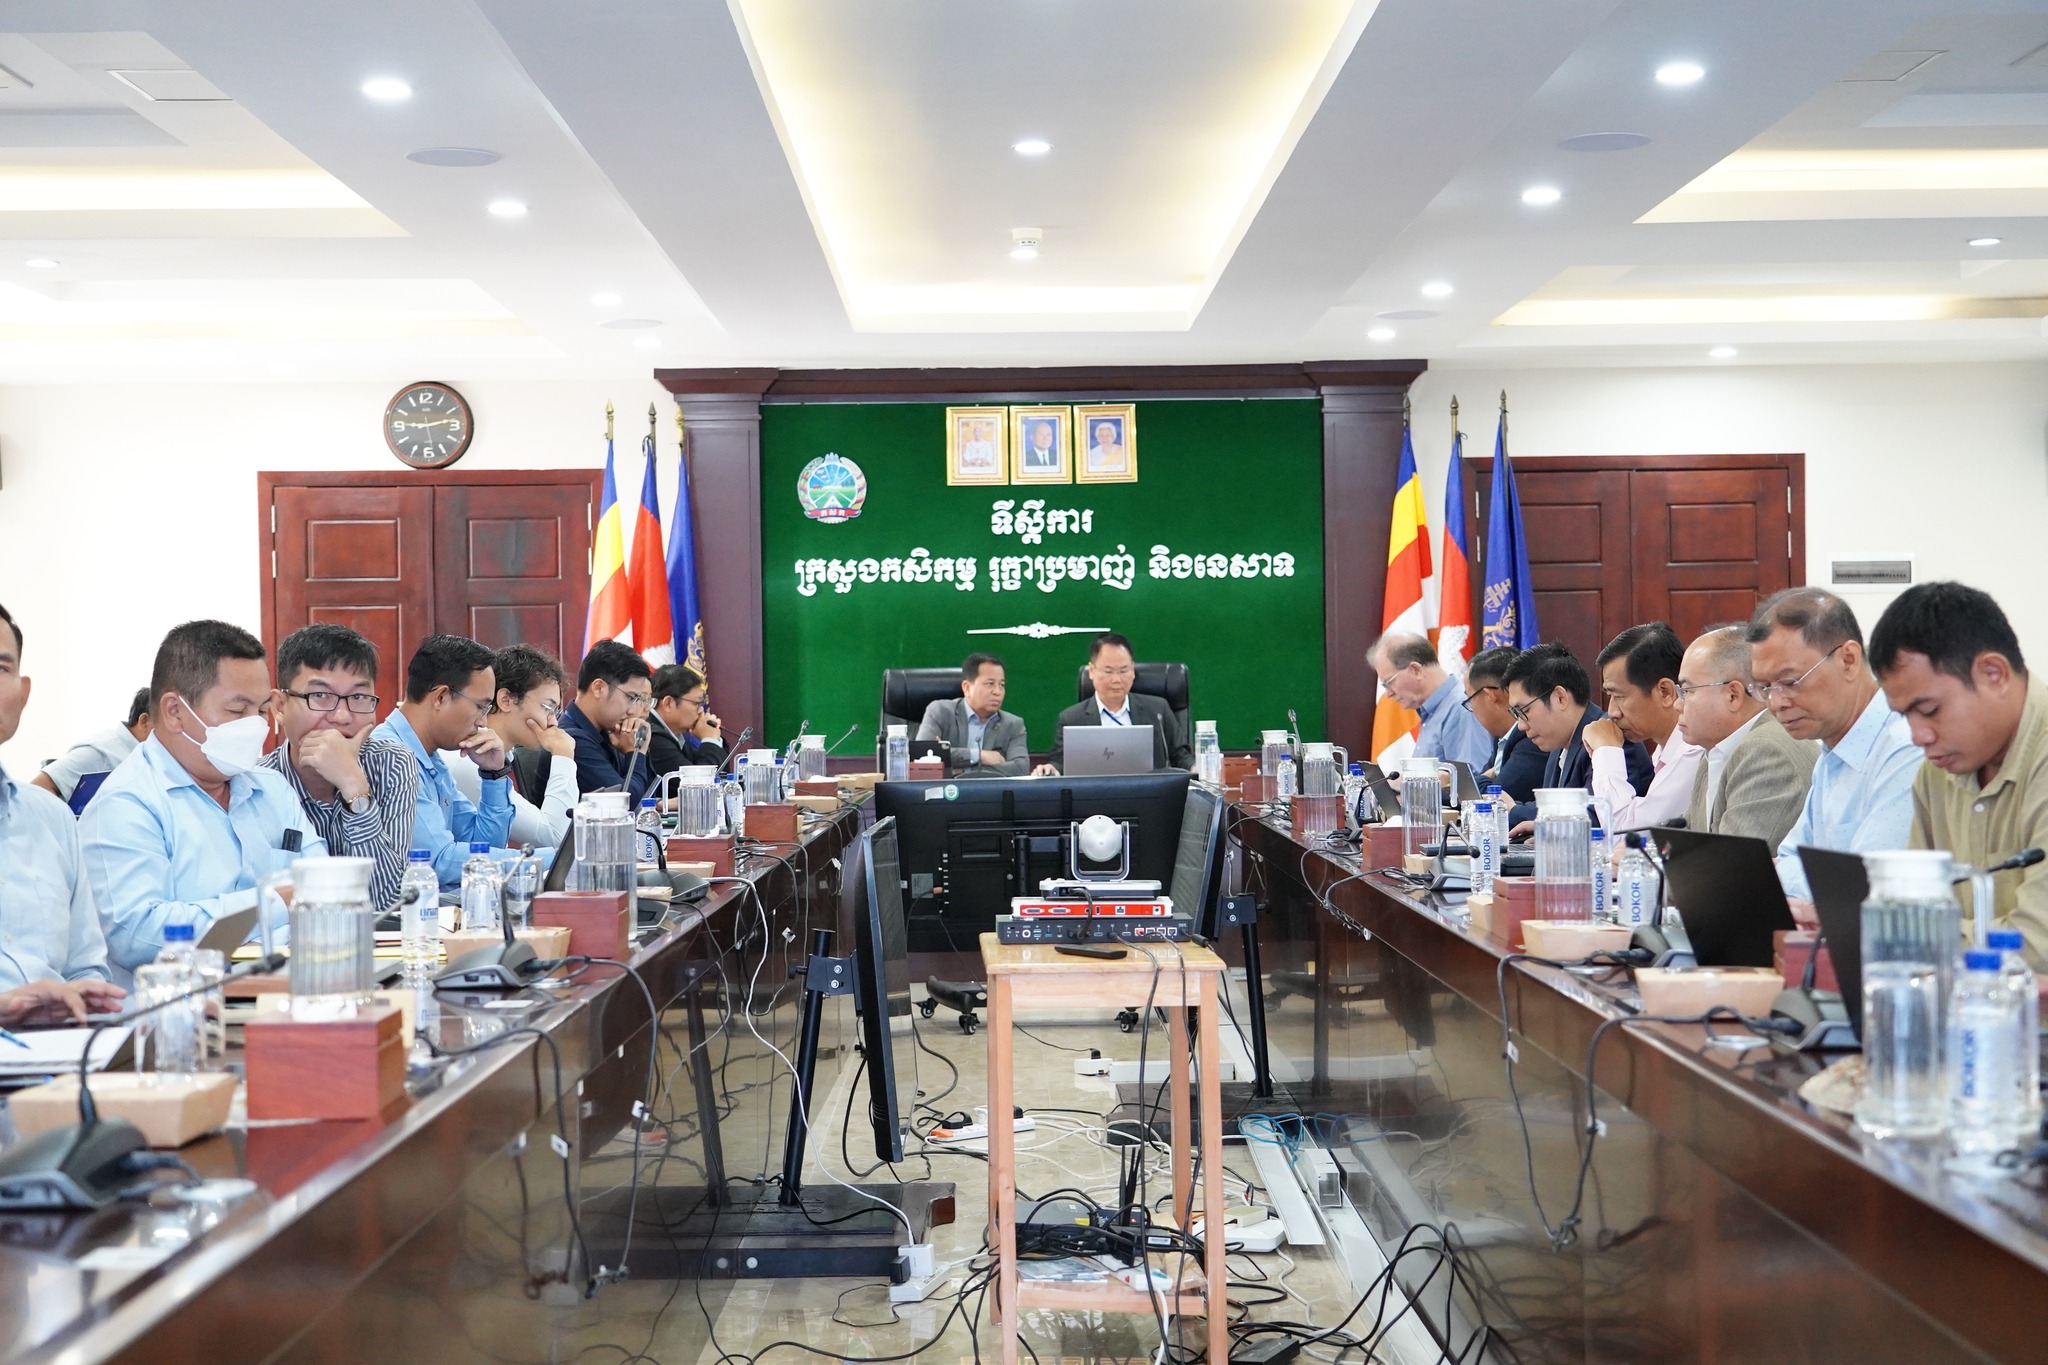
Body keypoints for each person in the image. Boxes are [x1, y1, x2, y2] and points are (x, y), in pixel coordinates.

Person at [83, 620, 326, 980]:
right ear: (175, 712)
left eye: (261, 711)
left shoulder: (272, 789)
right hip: (180, 1005)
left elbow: (324, 888)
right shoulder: (126, 804)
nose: (256, 726)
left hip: (287, 991)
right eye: (237, 711)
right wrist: (274, 902)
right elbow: (139, 935)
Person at [1872, 582, 2048, 965]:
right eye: (1905, 717)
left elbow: (2038, 947)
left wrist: (1914, 936)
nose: (1918, 736)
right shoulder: (1935, 773)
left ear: (1994, 674)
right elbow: (1908, 909)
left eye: (1930, 711)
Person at [1747, 588, 1919, 904]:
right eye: (1764, 687)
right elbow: (1790, 857)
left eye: (1790, 682)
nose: (1775, 703)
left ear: (1848, 660)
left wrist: (1791, 874)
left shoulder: (1906, 747)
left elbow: (1868, 886)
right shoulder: (1832, 752)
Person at [0, 601, 122, 998]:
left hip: (63, 1037)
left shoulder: (52, 819)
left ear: (23, 693)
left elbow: (87, 969)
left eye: (1, 668)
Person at [260, 624, 419, 911]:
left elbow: (387, 903)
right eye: (320, 696)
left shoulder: (392, 764)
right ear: (280, 707)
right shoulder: (259, 783)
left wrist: (353, 786)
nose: (342, 716)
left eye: (358, 697)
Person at [369, 635, 513, 890]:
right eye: (481, 707)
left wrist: (494, 774)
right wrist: (533, 860)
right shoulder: (389, 755)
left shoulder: (431, 757)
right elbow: (438, 861)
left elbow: (484, 847)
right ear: (441, 697)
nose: (483, 722)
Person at [1675, 624, 1817, 845]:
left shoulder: (1766, 752)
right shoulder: (1715, 751)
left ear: (1733, 695)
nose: (1677, 704)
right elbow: (1687, 837)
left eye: (1686, 691)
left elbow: (1731, 860)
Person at [1500, 643, 1652, 828]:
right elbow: (1554, 808)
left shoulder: (1610, 739)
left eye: (1524, 711)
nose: (1521, 725)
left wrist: (1514, 811)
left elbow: (1597, 815)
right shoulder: (1558, 743)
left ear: (1560, 697)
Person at [450, 644, 579, 850]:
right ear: (506, 700)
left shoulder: (505, 755)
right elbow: (555, 838)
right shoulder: (472, 758)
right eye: (547, 708)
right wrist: (563, 755)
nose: (554, 723)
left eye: (555, 712)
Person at [1588, 623, 1702, 831]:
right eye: (1609, 696)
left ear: (1665, 692)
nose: (1612, 712)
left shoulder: (1692, 753)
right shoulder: (1665, 750)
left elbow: (1625, 835)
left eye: (1619, 696)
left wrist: (1606, 751)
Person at [1037, 633, 1193, 775]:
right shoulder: (1070, 719)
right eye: (1108, 671)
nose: (1117, 679)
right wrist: (1051, 769)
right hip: (1094, 795)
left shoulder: (1158, 711)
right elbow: (1060, 763)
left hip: (1151, 793)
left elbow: (1181, 756)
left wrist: (1194, 767)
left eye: (1123, 671)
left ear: (1132, 670)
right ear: (1092, 671)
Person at [1367, 632, 1492, 771]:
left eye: (1390, 682)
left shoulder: (1463, 708)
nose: (1388, 694)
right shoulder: (1432, 710)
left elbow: (1470, 778)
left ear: (1416, 670)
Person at [559, 639, 657, 801]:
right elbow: (624, 803)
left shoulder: (610, 732)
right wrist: (636, 753)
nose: (633, 711)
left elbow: (649, 793)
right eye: (631, 697)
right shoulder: (573, 740)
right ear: (598, 688)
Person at [916, 653, 1030, 777]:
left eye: (1001, 685)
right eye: (990, 683)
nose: (998, 692)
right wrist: (979, 756)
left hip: (988, 789)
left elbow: (1020, 769)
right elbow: (922, 754)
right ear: (967, 688)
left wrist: (961, 769)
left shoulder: (1013, 725)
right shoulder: (940, 712)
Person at [32, 687, 150, 806]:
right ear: (144, 721)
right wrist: (69, 818)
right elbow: (38, 788)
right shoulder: (102, 752)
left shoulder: (146, 757)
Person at [1465, 647, 1544, 802]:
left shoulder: (1531, 736)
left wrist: (1488, 776)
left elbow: (1494, 798)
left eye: (1470, 699)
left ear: (1490, 696)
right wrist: (1487, 777)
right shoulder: (1502, 738)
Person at [648, 663, 727, 777]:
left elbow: (723, 777)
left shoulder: (678, 734)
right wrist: (710, 740)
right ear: (668, 703)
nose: (701, 711)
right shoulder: (653, 737)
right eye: (696, 703)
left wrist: (713, 739)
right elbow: (697, 782)